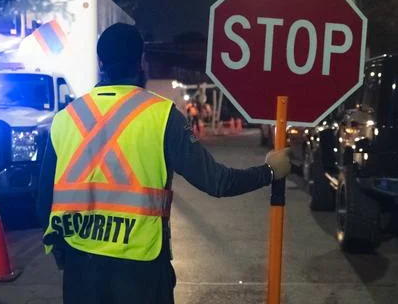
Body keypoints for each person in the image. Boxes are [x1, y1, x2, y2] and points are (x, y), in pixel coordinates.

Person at [37, 23, 291, 304]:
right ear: (141, 61)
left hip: (81, 270)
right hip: (141, 268)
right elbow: (217, 181)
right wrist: (269, 171)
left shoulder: (65, 118)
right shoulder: (161, 114)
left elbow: (43, 204)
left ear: (100, 62)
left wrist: (65, 255)